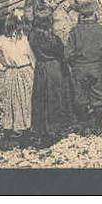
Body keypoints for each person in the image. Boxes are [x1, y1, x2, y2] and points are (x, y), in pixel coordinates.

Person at [0, 11, 35, 149]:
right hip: (25, 71)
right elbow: (32, 57)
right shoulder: (25, 38)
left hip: (11, 72)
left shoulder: (2, 39)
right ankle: (26, 129)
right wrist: (35, 71)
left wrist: (0, 67)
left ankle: (12, 130)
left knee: (13, 102)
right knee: (27, 100)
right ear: (20, 24)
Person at [65, 0, 102, 134]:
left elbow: (68, 54)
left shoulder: (74, 32)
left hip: (80, 68)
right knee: (99, 96)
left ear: (81, 15)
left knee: (81, 97)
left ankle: (84, 125)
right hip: (98, 67)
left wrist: (75, 64)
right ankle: (97, 124)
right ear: (95, 14)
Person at [28, 9, 74, 146]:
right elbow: (62, 55)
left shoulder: (32, 37)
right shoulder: (54, 39)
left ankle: (40, 128)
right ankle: (56, 127)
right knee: (55, 97)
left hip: (40, 67)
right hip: (54, 67)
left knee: (40, 97)